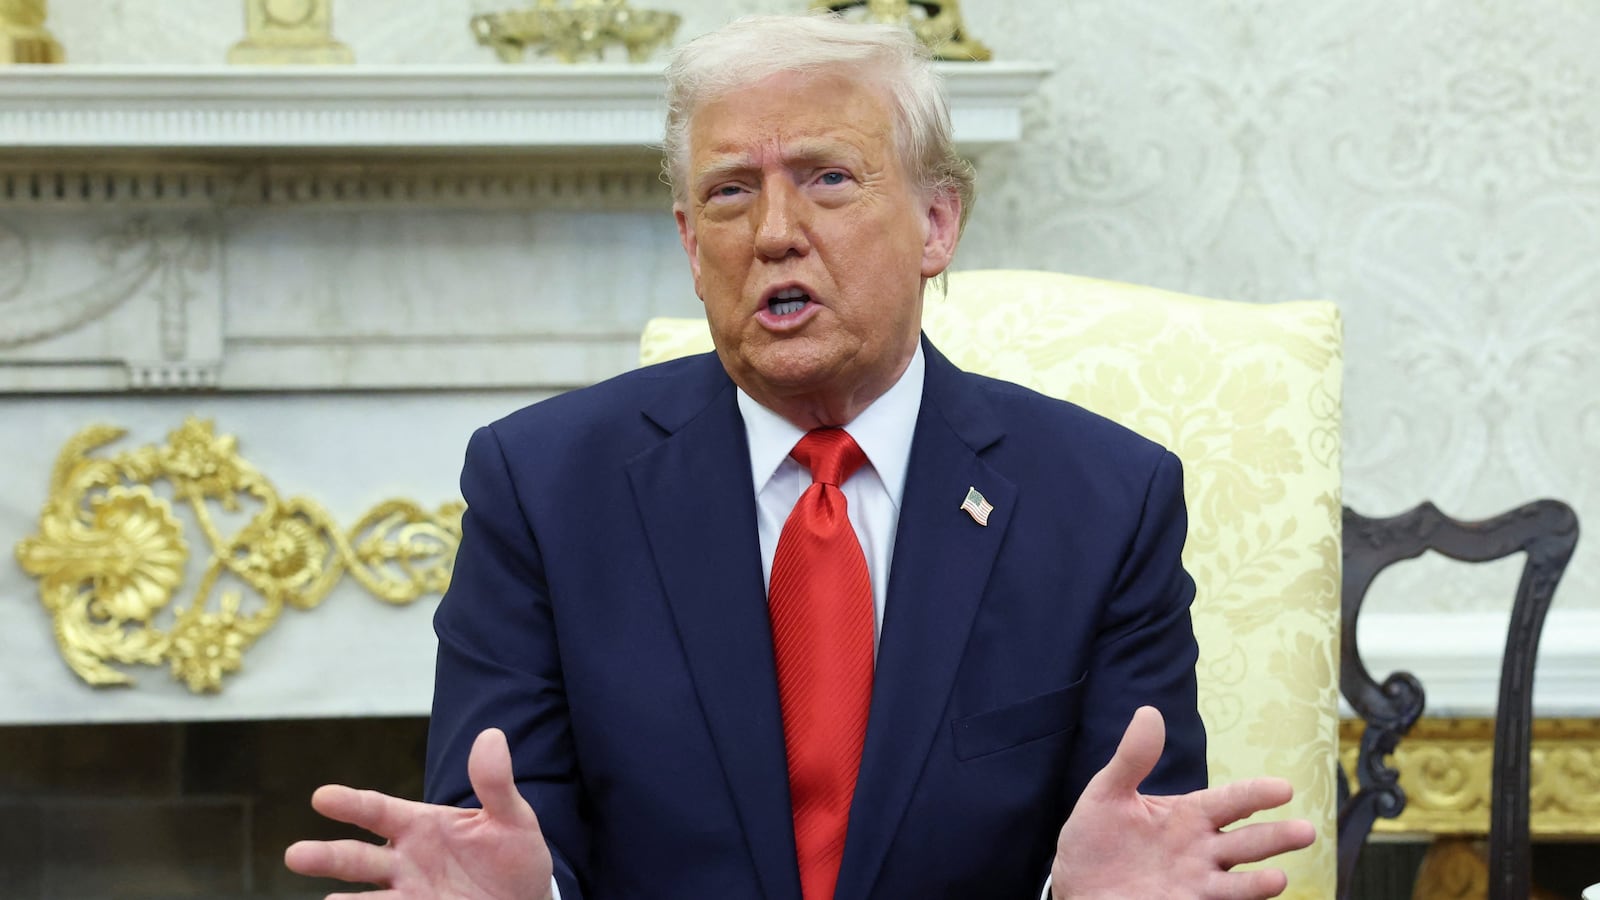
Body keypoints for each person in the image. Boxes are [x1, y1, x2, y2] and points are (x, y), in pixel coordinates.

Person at [285, 13, 1315, 899]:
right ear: (692, 247)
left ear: (935, 223)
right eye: (731, 194)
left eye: (827, 178)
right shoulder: (544, 489)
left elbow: (1135, 842)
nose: (774, 232)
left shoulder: (1102, 501)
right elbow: (501, 834)